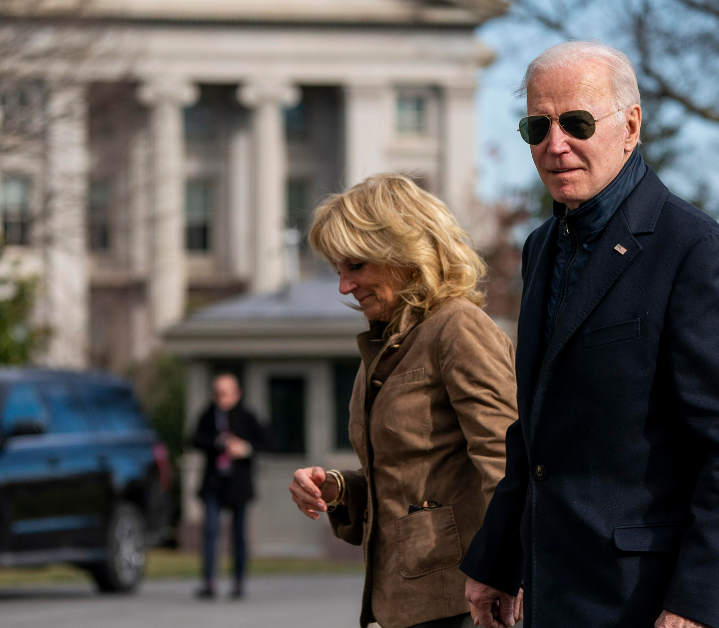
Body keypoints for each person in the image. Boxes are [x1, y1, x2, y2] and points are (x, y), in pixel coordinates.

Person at [460, 41, 719, 628]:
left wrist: (699, 604)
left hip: (650, 603)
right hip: (554, 598)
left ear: (630, 126)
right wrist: (497, 561)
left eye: (577, 123)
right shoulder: (540, 250)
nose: (555, 145)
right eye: (538, 126)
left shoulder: (698, 254)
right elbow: (533, 431)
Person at [288, 174, 519, 628]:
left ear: (404, 253)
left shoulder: (457, 327)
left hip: (466, 604)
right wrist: (337, 489)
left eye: (355, 266)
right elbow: (407, 479)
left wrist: (502, 570)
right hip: (407, 604)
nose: (344, 287)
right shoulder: (388, 344)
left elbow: (507, 461)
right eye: (337, 271)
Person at [191, 372, 270, 600]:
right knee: (210, 531)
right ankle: (209, 582)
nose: (220, 398)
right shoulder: (208, 415)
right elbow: (194, 439)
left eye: (224, 393)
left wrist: (245, 448)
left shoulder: (247, 416)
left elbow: (268, 441)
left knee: (238, 535)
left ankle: (238, 583)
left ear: (236, 394)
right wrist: (217, 442)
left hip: (238, 484)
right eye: (216, 393)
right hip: (214, 483)